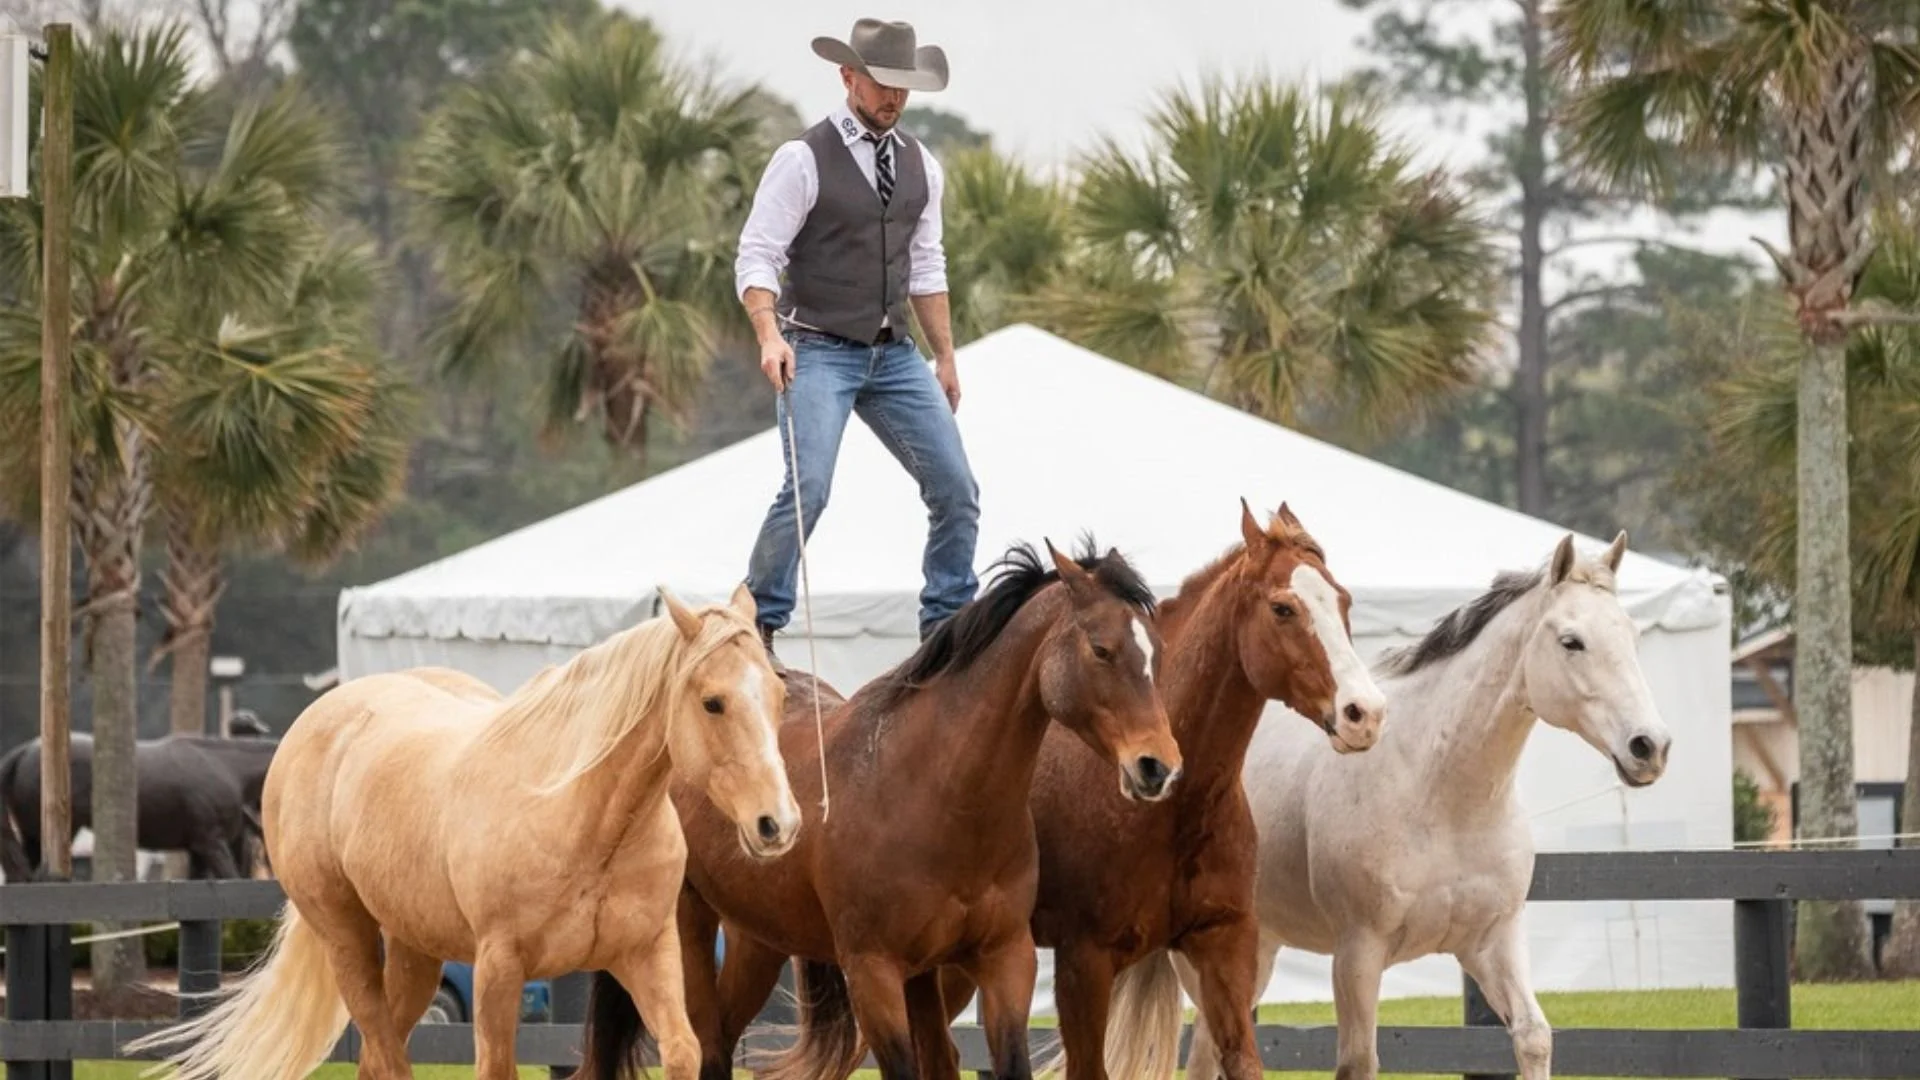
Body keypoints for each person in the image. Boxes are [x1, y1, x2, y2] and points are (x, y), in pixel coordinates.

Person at [735, 18, 981, 665]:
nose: (892, 98)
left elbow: (927, 266)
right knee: (809, 487)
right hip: (814, 346)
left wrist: (946, 355)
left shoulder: (923, 166)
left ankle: (948, 624)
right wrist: (769, 336)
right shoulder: (802, 160)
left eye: (902, 87)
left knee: (957, 489)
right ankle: (757, 618)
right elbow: (756, 257)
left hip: (893, 353)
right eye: (881, 83)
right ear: (848, 76)